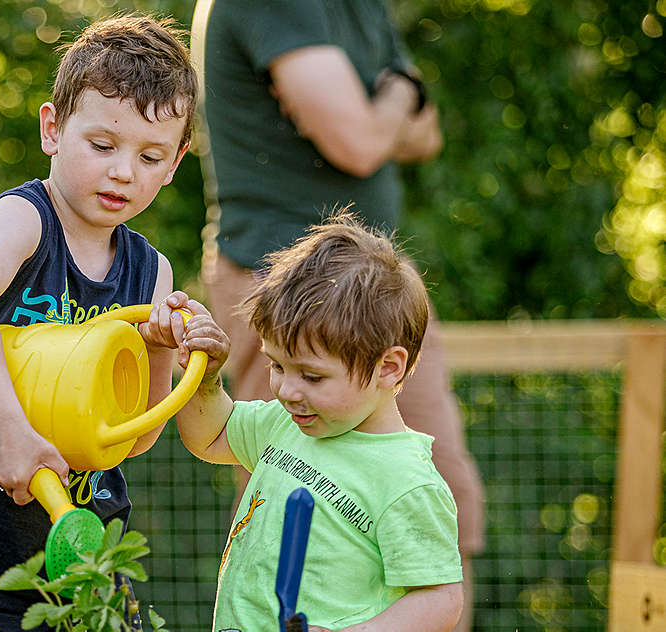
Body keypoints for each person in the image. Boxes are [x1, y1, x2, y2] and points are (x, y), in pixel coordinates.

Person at [0, 15, 198, 632]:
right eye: (103, 146)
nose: (124, 171)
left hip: (82, 554)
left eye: (150, 155)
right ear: (53, 129)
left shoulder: (153, 271)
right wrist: (6, 429)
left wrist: (160, 351)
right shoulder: (26, 222)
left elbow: (131, 437)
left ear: (176, 161)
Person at [190, 2, 485, 628]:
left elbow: (423, 136)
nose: (287, 388)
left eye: (306, 379)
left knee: (441, 506)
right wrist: (396, 97)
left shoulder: (360, 8)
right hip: (283, 292)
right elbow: (358, 142)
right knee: (286, 503)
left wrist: (381, 113)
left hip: (376, 299)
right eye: (282, 373)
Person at [156, 214, 463, 631]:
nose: (286, 390)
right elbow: (210, 436)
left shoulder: (406, 480)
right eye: (277, 365)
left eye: (312, 376)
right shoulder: (285, 424)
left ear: (387, 368)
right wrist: (205, 380)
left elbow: (441, 599)